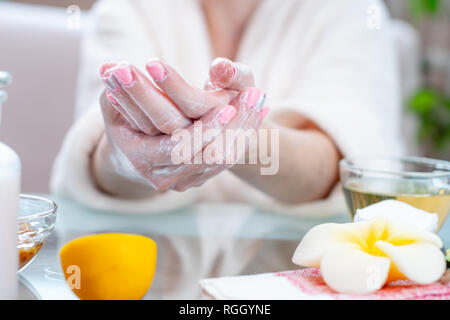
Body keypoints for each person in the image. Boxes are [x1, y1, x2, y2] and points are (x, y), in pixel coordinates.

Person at [51, 0, 403, 216]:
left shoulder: (353, 10)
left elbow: (351, 164)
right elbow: (99, 153)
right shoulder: (128, 7)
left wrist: (239, 137)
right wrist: (127, 156)